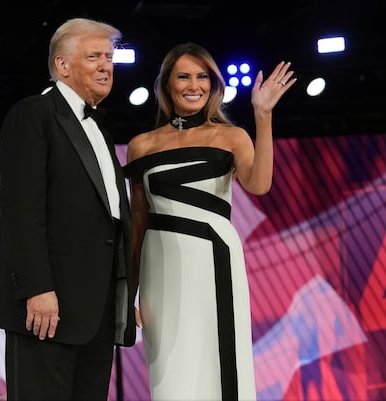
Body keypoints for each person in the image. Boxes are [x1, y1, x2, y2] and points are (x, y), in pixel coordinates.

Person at [123, 42, 296, 400]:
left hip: (215, 261)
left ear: (213, 84)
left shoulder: (231, 136)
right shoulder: (142, 145)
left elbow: (260, 184)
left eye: (202, 76)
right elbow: (137, 224)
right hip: (161, 271)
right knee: (171, 374)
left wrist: (263, 116)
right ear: (167, 85)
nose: (194, 85)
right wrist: (127, 296)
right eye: (183, 76)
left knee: (220, 366)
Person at [0, 17, 137, 400]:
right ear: (62, 65)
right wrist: (37, 288)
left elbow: (111, 221)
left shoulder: (100, 128)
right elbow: (21, 209)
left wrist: (123, 294)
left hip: (96, 311)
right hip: (47, 308)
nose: (106, 65)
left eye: (109, 57)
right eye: (94, 56)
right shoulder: (32, 114)